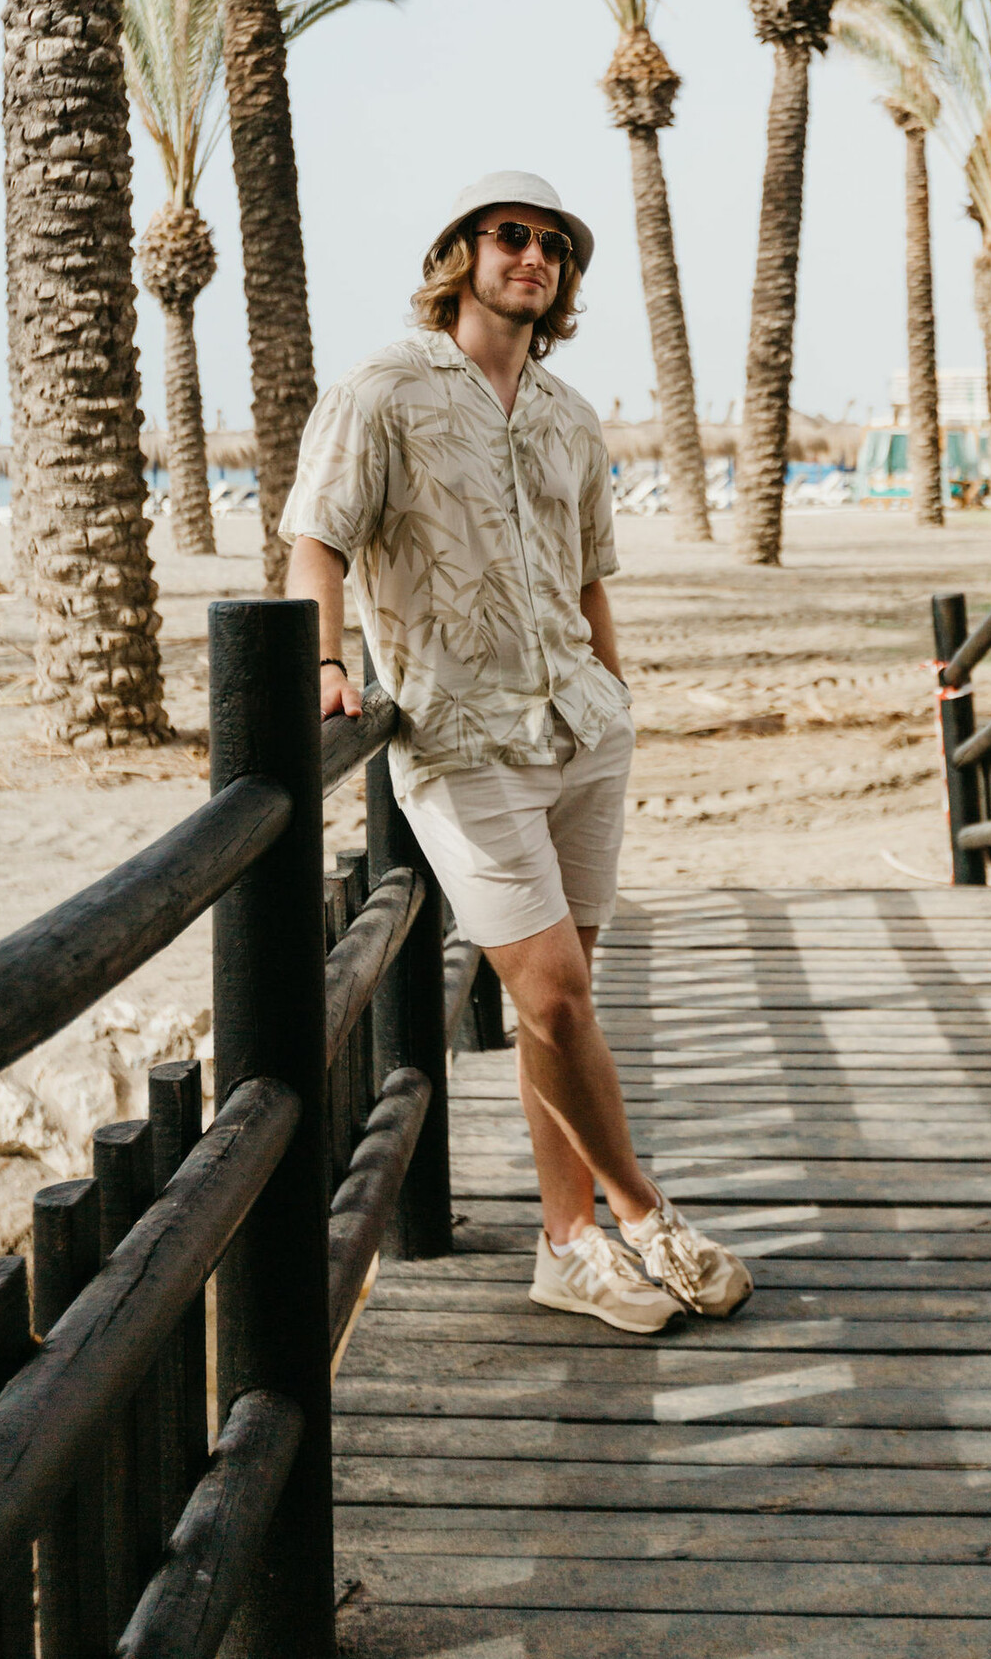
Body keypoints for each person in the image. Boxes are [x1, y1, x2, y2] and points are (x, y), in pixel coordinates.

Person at [283, 171, 752, 1336]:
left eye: (551, 244)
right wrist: (326, 665)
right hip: (462, 738)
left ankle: (567, 1244)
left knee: (562, 1010)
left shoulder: (569, 415)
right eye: (511, 236)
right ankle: (644, 1216)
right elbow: (317, 536)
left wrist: (617, 692)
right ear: (463, 253)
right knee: (551, 993)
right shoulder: (382, 388)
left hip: (582, 732)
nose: (532, 256)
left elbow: (591, 574)